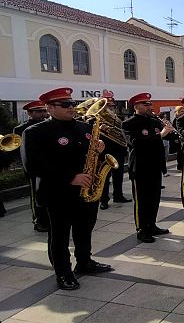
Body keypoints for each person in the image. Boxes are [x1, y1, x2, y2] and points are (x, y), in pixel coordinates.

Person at [21, 87, 112, 291]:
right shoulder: (35, 132)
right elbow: (33, 165)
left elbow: (87, 155)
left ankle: (84, 261)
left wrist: (99, 149)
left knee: (84, 230)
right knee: (60, 235)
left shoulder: (83, 128)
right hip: (58, 193)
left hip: (86, 191)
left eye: (72, 103)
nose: (72, 107)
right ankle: (63, 272)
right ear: (50, 108)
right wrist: (71, 178)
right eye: (65, 105)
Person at [121, 93, 174, 243]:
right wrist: (160, 135)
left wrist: (169, 130)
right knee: (142, 200)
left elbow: (166, 138)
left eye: (149, 104)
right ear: (136, 106)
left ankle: (152, 225)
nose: (149, 107)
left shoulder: (154, 121)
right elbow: (136, 143)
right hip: (140, 167)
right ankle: (142, 230)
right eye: (145, 104)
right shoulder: (129, 124)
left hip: (155, 165)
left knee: (154, 198)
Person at [14, 100, 50, 231]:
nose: (43, 114)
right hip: (35, 169)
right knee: (37, 196)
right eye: (38, 111)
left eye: (44, 111)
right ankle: (39, 221)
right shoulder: (20, 129)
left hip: (50, 167)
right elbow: (21, 152)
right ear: (29, 113)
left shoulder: (50, 125)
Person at [97, 91, 131, 210]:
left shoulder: (118, 118)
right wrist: (100, 129)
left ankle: (118, 195)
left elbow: (122, 133)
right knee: (104, 177)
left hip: (118, 150)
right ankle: (104, 200)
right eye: (107, 106)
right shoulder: (95, 119)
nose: (110, 109)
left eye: (111, 106)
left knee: (118, 175)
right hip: (105, 151)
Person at [172, 105, 184, 170]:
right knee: (179, 153)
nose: (183, 112)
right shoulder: (176, 119)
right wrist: (175, 138)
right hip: (178, 138)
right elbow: (174, 129)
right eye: (181, 111)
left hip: (183, 139)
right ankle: (180, 165)